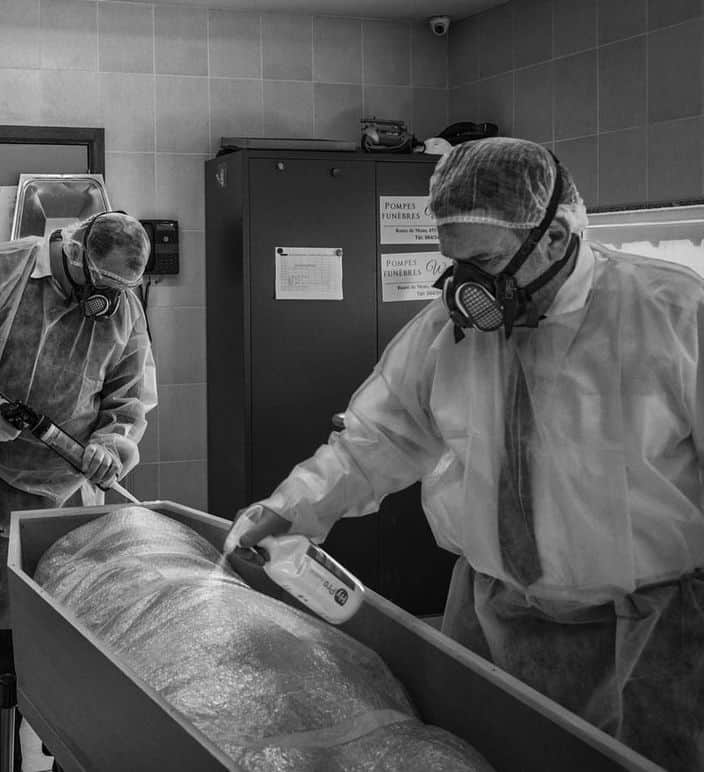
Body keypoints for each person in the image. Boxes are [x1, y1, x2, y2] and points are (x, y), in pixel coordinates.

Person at [225, 137, 704, 771]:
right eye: (456, 263)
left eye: (487, 261)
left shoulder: (673, 314)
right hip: (493, 619)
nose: (467, 288)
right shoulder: (447, 333)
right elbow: (379, 439)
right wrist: (293, 509)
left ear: (556, 237)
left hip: (649, 639)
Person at [0, 211, 157, 770]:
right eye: (103, 285)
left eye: (121, 292)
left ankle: (62, 750)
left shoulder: (121, 308)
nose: (107, 303)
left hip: (64, 499)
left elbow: (128, 394)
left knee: (63, 648)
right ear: (75, 253)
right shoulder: (0, 271)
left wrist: (112, 445)